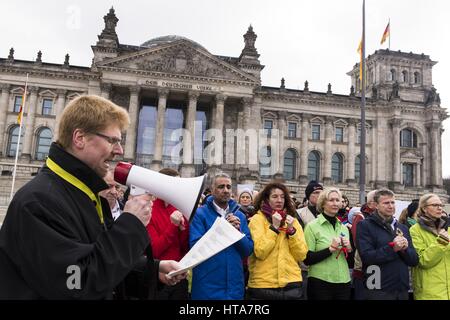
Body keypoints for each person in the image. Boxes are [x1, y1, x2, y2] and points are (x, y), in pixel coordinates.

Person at [0, 95, 185, 299]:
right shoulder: (39, 202)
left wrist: (152, 270)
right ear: (80, 138)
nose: (120, 150)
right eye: (112, 140)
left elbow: (93, 257)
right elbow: (77, 282)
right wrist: (130, 225)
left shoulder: (83, 192)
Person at [189, 173, 253, 300]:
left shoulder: (240, 216)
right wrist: (224, 228)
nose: (226, 190)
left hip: (234, 286)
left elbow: (247, 250)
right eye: (221, 187)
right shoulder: (199, 214)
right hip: (207, 286)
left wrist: (237, 232)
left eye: (228, 187)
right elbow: (196, 247)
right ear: (212, 190)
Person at [247, 182, 308, 300]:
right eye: (274, 196)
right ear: (266, 199)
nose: (279, 200)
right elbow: (260, 252)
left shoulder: (293, 221)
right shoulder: (257, 220)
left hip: (292, 284)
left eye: (282, 197)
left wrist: (292, 232)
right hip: (263, 286)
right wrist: (274, 228)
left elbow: (301, 255)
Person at [357, 189, 418, 300]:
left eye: (392, 202)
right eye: (386, 203)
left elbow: (414, 260)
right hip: (377, 288)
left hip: (401, 288)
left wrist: (405, 250)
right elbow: (367, 257)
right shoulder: (365, 225)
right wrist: (392, 248)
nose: (390, 206)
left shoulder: (402, 227)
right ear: (376, 205)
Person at [146, 168, 190, 300]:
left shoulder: (179, 208)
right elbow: (154, 250)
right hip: (158, 278)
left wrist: (183, 230)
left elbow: (183, 248)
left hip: (178, 276)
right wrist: (173, 226)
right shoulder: (149, 209)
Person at [303, 187, 352, 300]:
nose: (335, 203)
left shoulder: (344, 228)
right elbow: (307, 259)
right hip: (320, 281)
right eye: (331, 200)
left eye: (337, 200)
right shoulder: (312, 226)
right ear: (323, 203)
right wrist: (330, 249)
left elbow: (349, 261)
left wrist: (349, 248)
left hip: (343, 281)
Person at [410, 193, 450, 300]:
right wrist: (441, 242)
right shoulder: (415, 230)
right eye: (435, 205)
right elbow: (422, 261)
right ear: (424, 208)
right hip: (429, 292)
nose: (439, 208)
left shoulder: (448, 228)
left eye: (441, 205)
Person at [350, 189, 377, 300]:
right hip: (363, 268)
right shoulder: (361, 217)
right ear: (371, 204)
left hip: (378, 269)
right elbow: (358, 243)